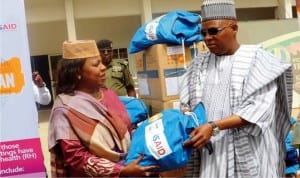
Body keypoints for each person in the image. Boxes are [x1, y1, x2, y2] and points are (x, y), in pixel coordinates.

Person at [180, 0, 293, 177]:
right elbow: (186, 104)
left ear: (234, 28)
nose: (208, 38)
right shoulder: (198, 64)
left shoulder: (258, 60)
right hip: (211, 153)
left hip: (250, 151)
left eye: (213, 31)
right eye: (203, 33)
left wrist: (214, 126)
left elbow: (258, 110)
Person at [48, 40, 157, 177]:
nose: (103, 67)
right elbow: (75, 156)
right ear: (77, 72)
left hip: (129, 167)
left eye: (101, 62)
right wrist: (120, 170)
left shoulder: (109, 95)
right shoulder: (64, 108)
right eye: (96, 64)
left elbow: (124, 133)